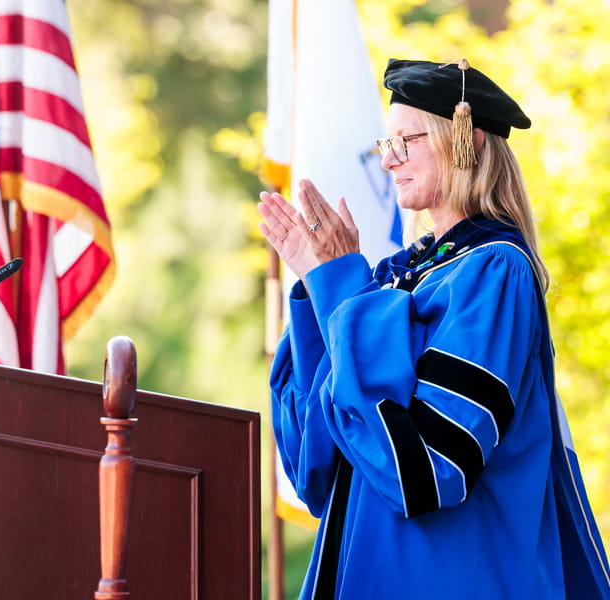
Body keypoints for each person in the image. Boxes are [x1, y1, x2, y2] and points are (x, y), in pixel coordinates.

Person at [258, 58, 610, 599]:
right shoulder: (400, 279)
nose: (389, 160)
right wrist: (320, 286)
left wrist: (343, 288)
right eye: (387, 143)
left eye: (407, 140)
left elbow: (425, 467)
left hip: (448, 577)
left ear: (462, 141)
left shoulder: (494, 270)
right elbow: (318, 468)